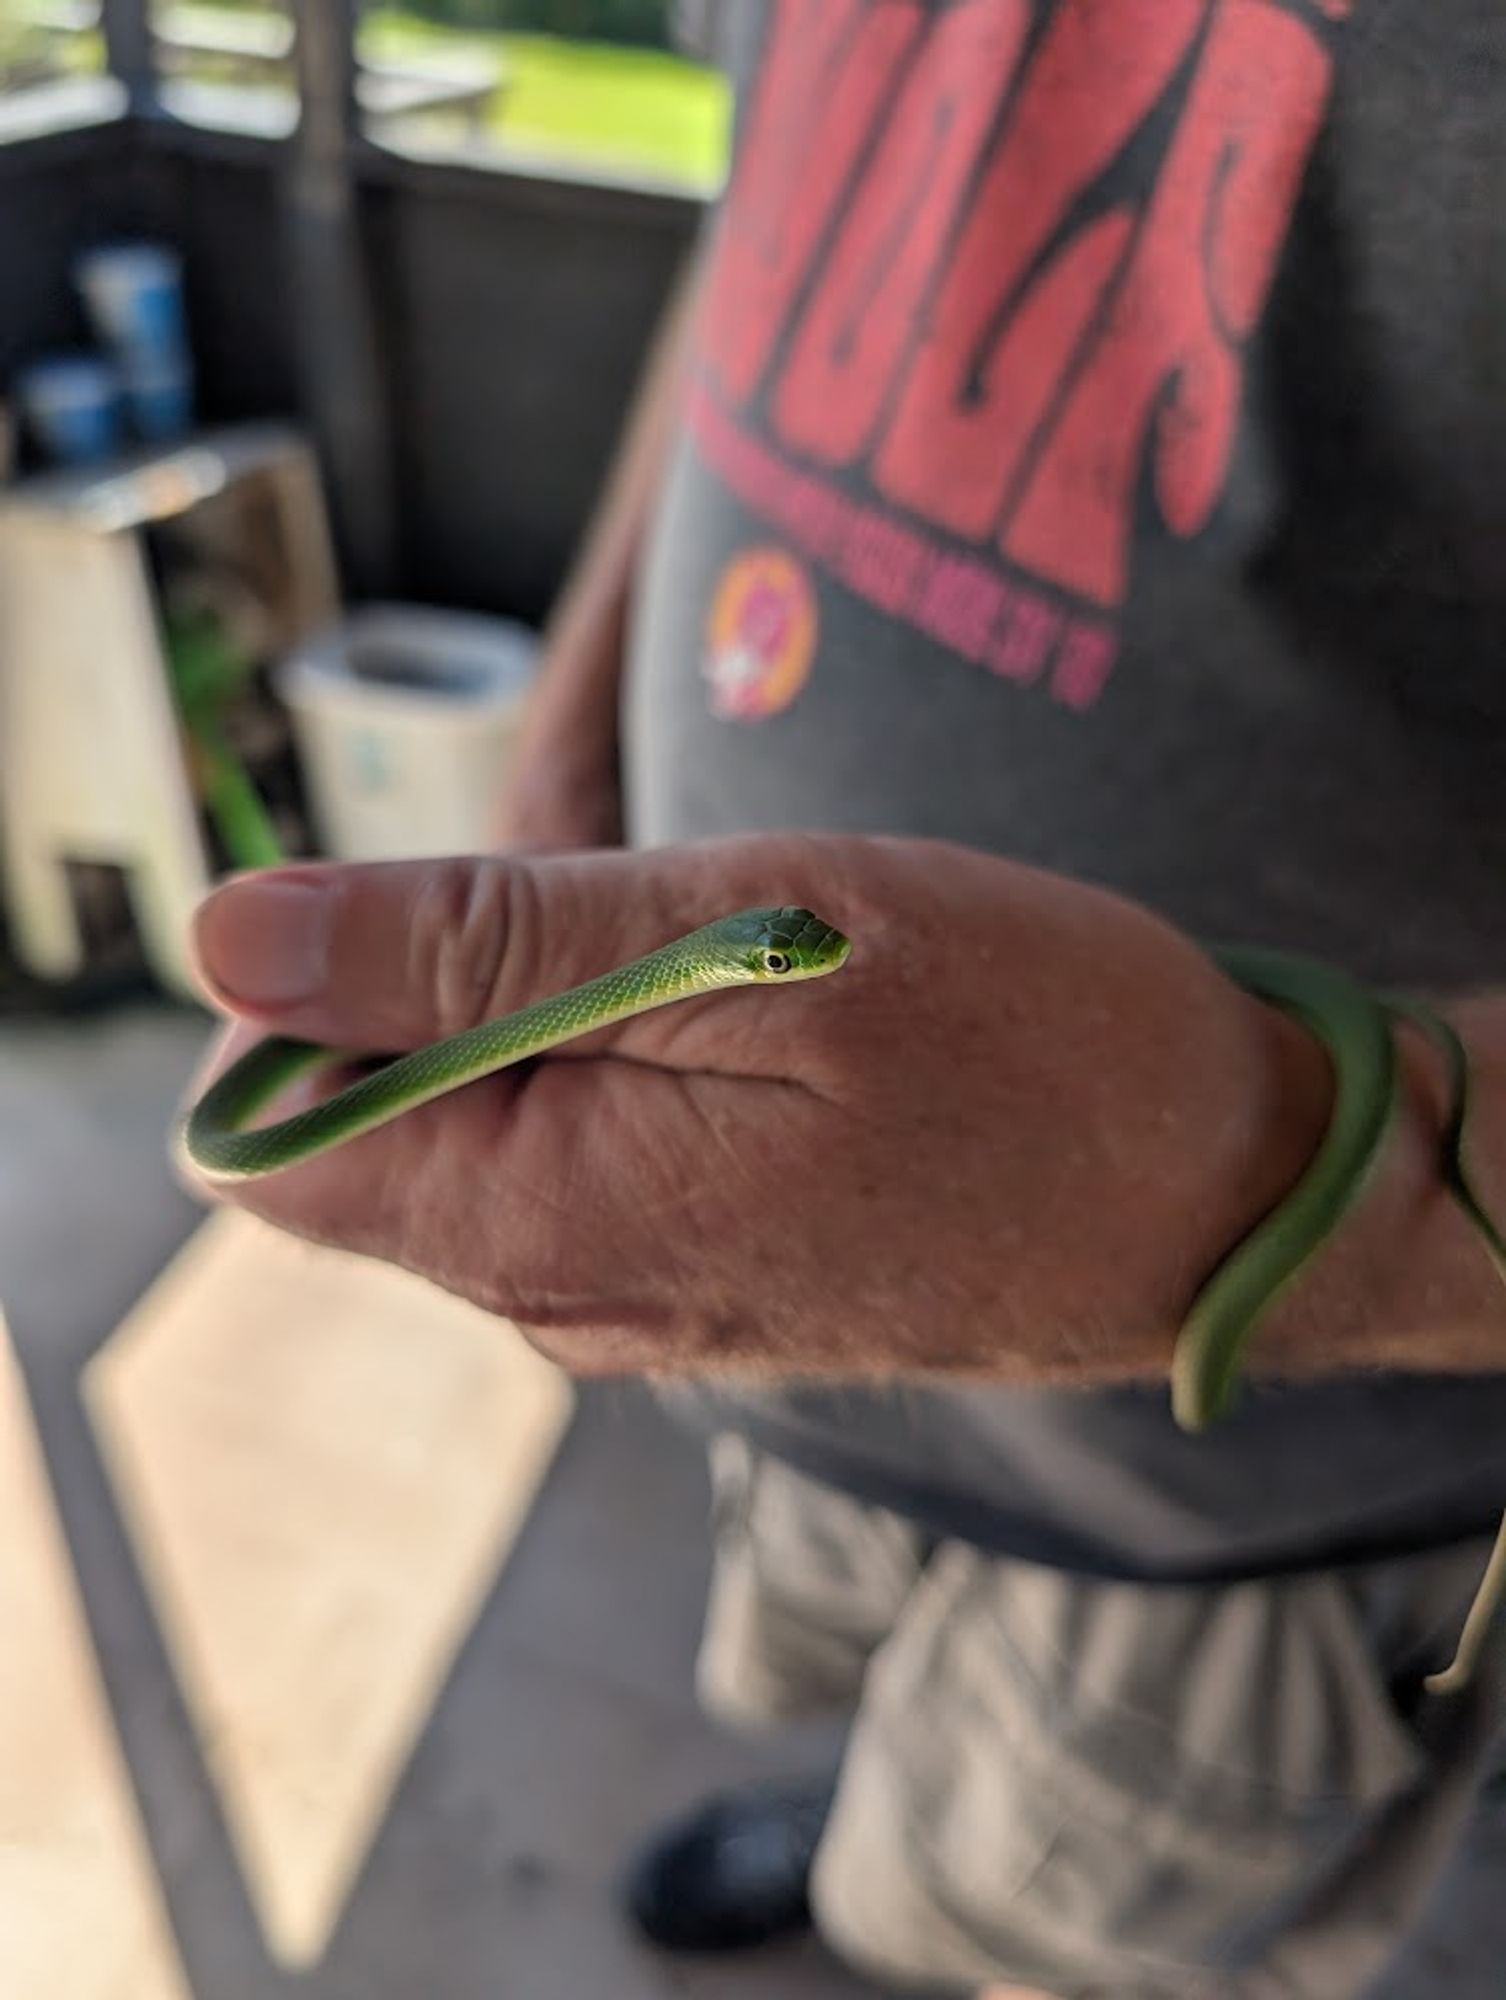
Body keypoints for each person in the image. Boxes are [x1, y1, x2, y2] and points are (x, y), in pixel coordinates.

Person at [185, 2, 1506, 1993]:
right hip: (793, 1330)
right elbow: (789, 190)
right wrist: (571, 733)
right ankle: (863, 1818)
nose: (814, 957)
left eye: (787, 956)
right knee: (826, 1647)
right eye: (785, 953)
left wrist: (1280, 1175)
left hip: (1234, 1496)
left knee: (1051, 1913)